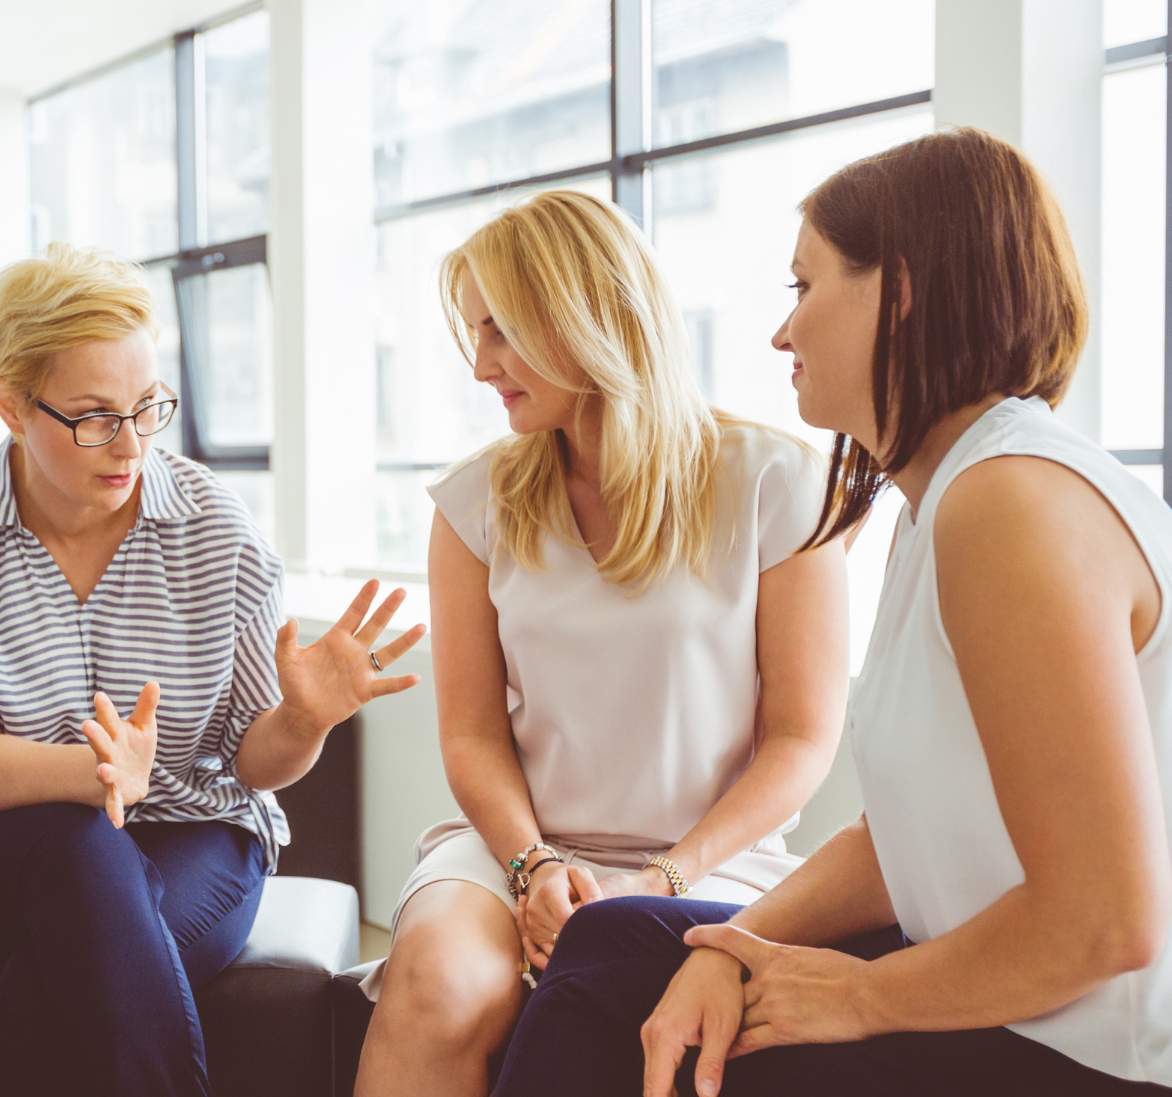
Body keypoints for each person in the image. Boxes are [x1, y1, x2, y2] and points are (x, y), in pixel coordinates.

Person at [491, 128, 1172, 1097]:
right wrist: (733, 943)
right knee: (616, 944)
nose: (783, 333)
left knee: (712, 1053)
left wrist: (860, 995)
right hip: (1005, 992)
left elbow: (1106, 922)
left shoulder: (1009, 502)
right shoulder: (945, 501)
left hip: (1085, 1050)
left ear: (899, 292)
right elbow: (905, 838)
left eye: (803, 288)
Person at [0, 243, 423, 1097]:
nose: (130, 442)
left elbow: (254, 762)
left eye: (147, 408)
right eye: (96, 416)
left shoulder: (215, 524)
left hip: (194, 835)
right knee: (80, 841)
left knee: (58, 969)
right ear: (9, 402)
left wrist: (303, 719)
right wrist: (96, 772)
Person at [355, 190, 850, 1097]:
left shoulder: (779, 483)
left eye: (501, 330)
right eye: (475, 333)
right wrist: (532, 862)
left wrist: (665, 877)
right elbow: (470, 734)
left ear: (584, 315)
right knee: (437, 984)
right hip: (518, 846)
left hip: (715, 856)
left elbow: (803, 739)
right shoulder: (473, 504)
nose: (480, 366)